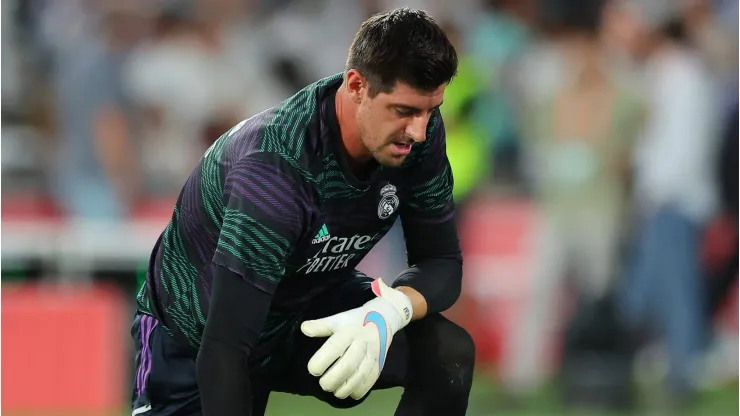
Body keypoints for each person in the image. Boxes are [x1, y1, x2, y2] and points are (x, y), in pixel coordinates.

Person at [130, 8, 474, 416]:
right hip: (198, 338)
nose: (419, 130)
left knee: (447, 353)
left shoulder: (417, 135)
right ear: (357, 85)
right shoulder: (276, 170)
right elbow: (224, 348)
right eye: (404, 111)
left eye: (430, 110)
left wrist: (389, 312)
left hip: (304, 306)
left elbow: (442, 262)